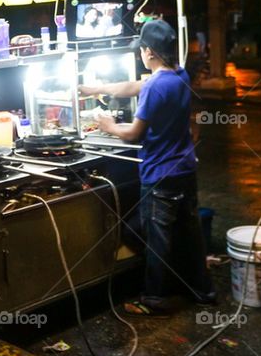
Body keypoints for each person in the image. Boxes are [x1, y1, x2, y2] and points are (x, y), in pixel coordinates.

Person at [85, 19, 214, 315]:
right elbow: (133, 85)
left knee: (155, 239)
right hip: (185, 172)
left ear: (149, 52)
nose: (141, 54)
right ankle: (203, 291)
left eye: (142, 50)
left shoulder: (155, 87)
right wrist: (97, 88)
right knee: (190, 235)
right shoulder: (179, 76)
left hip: (160, 177)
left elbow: (134, 134)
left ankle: (154, 298)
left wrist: (109, 124)